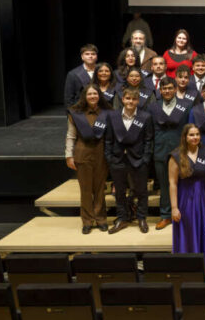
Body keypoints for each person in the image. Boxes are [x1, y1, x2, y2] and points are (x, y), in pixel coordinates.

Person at [104, 87, 154, 234]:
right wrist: (109, 158)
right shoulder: (113, 116)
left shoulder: (145, 117)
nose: (130, 101)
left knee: (141, 191)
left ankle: (141, 218)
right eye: (128, 98)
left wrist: (145, 159)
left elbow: (149, 140)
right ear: (122, 100)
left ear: (138, 101)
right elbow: (108, 139)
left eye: (133, 99)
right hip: (117, 160)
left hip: (138, 160)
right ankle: (122, 218)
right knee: (119, 192)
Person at [66, 84, 111, 234]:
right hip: (82, 152)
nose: (92, 96)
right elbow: (71, 136)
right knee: (85, 190)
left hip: (101, 153)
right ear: (85, 96)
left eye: (95, 94)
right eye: (90, 94)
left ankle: (101, 219)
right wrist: (68, 155)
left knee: (100, 189)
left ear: (99, 96)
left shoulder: (107, 112)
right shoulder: (76, 113)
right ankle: (87, 221)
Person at [149, 76, 191, 231]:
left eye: (170, 88)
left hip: (180, 151)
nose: (167, 91)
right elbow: (150, 131)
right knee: (164, 185)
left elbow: (189, 129)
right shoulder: (153, 107)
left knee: (184, 183)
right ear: (160, 91)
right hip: (160, 150)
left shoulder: (186, 105)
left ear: (175, 89)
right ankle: (166, 215)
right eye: (164, 88)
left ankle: (184, 213)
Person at [169, 124, 205, 271]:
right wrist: (174, 208)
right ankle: (186, 269)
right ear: (185, 137)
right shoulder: (176, 156)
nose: (195, 137)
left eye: (197, 134)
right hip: (185, 200)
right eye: (191, 135)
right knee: (186, 232)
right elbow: (173, 183)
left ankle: (203, 269)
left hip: (202, 199)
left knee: (201, 232)